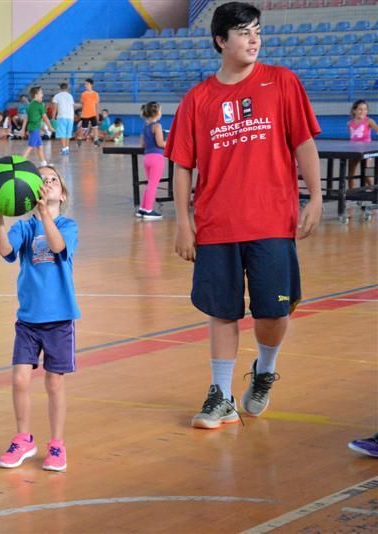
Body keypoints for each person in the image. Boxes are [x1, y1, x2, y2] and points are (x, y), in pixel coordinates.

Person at [165, 1, 322, 429]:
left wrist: (316, 197)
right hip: (216, 224)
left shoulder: (282, 82)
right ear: (220, 40)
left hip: (271, 219)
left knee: (274, 313)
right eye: (243, 32)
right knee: (223, 311)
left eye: (257, 31)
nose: (254, 39)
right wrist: (183, 221)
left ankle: (265, 371)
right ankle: (221, 396)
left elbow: (304, 143)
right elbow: (181, 165)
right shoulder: (198, 99)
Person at [0, 165, 80, 472]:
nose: (47, 183)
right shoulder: (25, 227)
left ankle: (57, 444)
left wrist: (44, 214)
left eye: (53, 179)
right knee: (19, 379)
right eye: (41, 180)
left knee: (54, 384)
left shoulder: (68, 225)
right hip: (28, 319)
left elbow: (57, 246)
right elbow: (5, 248)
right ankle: (24, 438)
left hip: (59, 319)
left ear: (62, 193)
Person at [138, 102, 166, 220]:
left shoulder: (146, 126)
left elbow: (142, 144)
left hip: (147, 158)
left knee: (150, 184)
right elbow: (160, 143)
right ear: (157, 112)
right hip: (156, 158)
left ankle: (142, 209)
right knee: (153, 185)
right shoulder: (157, 126)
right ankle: (148, 210)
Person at [347, 100, 378, 188]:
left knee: (367, 173)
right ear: (354, 110)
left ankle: (374, 190)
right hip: (354, 150)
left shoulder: (369, 121)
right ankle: (350, 193)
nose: (363, 112)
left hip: (367, 150)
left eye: (365, 109)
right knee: (350, 173)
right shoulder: (349, 123)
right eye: (360, 109)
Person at [21, 86, 54, 167]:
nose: (42, 95)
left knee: (40, 147)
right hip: (35, 128)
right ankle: (19, 163)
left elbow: (26, 118)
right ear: (36, 95)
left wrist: (23, 129)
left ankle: (44, 164)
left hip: (32, 128)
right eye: (41, 93)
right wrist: (50, 127)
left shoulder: (29, 105)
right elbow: (45, 117)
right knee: (30, 146)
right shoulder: (39, 105)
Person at [51, 83, 75, 155]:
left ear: (59, 88)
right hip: (70, 117)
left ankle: (64, 149)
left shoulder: (57, 96)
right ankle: (67, 148)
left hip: (61, 116)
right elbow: (73, 106)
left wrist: (53, 118)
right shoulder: (70, 96)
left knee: (62, 133)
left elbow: (54, 108)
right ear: (67, 88)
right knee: (68, 134)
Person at [76, 78, 100, 146]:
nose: (85, 85)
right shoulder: (83, 94)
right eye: (85, 84)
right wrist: (76, 106)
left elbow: (97, 105)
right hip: (85, 114)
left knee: (95, 127)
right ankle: (79, 138)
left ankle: (96, 139)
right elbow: (82, 104)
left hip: (93, 113)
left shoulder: (95, 94)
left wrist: (97, 114)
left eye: (87, 84)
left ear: (91, 84)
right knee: (83, 128)